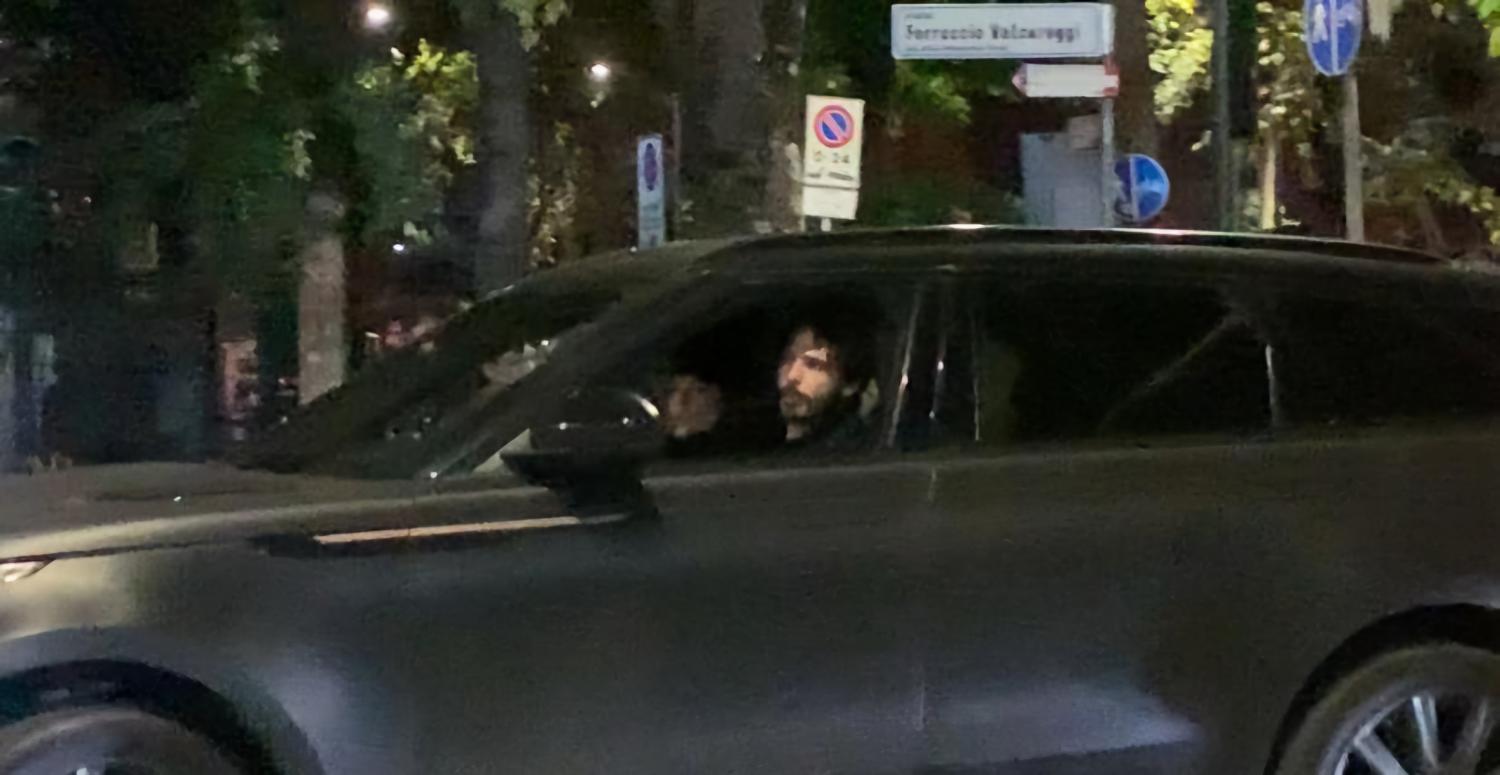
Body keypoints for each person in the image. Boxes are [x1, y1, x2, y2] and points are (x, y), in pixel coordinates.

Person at [775, 319, 877, 451]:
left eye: (813, 364)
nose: (792, 375)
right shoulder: (763, 440)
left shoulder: (852, 453)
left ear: (850, 384)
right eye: (788, 359)